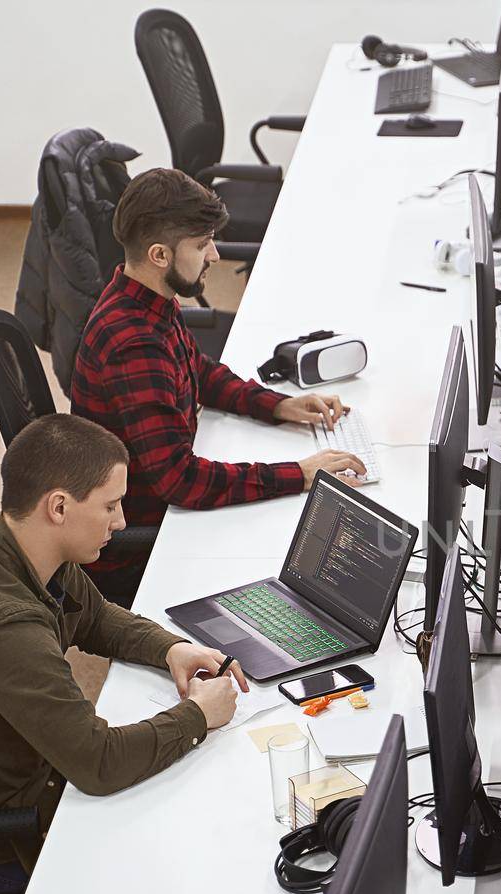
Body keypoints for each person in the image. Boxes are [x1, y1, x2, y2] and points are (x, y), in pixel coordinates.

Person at [0, 414, 249, 893]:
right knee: (162, 872)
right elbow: (98, 763)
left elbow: (95, 616)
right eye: (109, 506)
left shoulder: (4, 540)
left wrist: (171, 647)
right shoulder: (3, 628)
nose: (122, 521)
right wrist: (197, 716)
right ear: (60, 507)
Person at [71, 167, 367, 605]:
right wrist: (299, 474)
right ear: (159, 254)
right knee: (306, 547)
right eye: (200, 243)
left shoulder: (147, 299)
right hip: (146, 541)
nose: (214, 255)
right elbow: (181, 481)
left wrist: (279, 406)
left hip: (165, 507)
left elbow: (199, 371)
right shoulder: (133, 343)